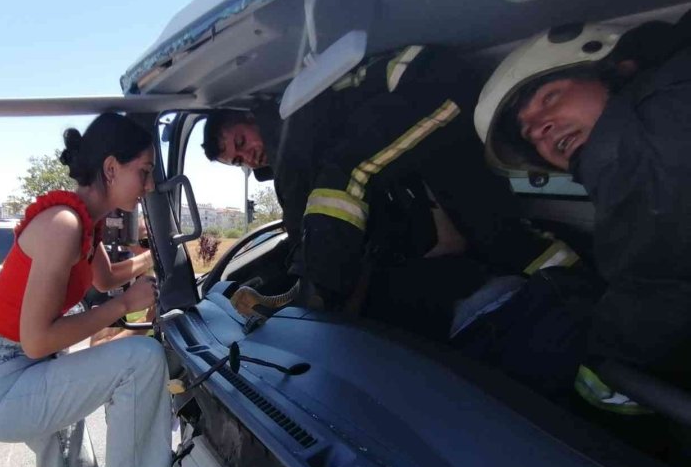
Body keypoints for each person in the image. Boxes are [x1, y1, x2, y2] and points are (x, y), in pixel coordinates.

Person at [204, 46, 578, 338]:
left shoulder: (291, 123)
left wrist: (312, 294)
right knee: (495, 231)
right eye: (238, 160)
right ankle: (578, 284)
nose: (247, 156)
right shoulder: (292, 140)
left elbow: (307, 208)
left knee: (346, 174)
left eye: (241, 141)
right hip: (427, 124)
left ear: (253, 118)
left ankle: (319, 295)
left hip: (430, 84)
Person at [473, 17, 691, 410]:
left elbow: (655, 285)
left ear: (615, 71)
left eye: (551, 97)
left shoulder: (634, 144)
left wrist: (594, 362)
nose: (540, 127)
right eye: (528, 133)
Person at [0, 113, 171, 467]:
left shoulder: (85, 223)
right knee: (141, 359)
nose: (149, 184)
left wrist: (158, 257)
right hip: (5, 380)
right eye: (143, 171)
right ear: (111, 169)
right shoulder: (64, 224)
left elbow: (105, 281)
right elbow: (37, 340)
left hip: (28, 367)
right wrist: (126, 303)